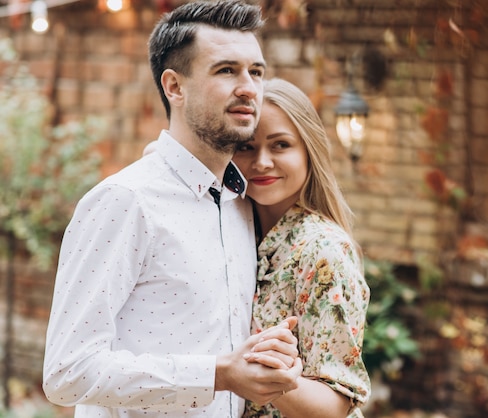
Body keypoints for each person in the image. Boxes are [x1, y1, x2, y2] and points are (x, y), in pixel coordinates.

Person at [42, 2, 302, 417]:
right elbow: (66, 372)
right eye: (226, 70)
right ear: (174, 87)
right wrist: (218, 374)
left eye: (256, 71)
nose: (249, 88)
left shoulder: (240, 202)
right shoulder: (126, 201)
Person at [232, 78, 371, 418]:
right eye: (246, 147)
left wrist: (270, 374)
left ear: (309, 151)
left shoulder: (323, 251)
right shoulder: (233, 232)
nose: (262, 162)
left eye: (280, 145)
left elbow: (335, 407)